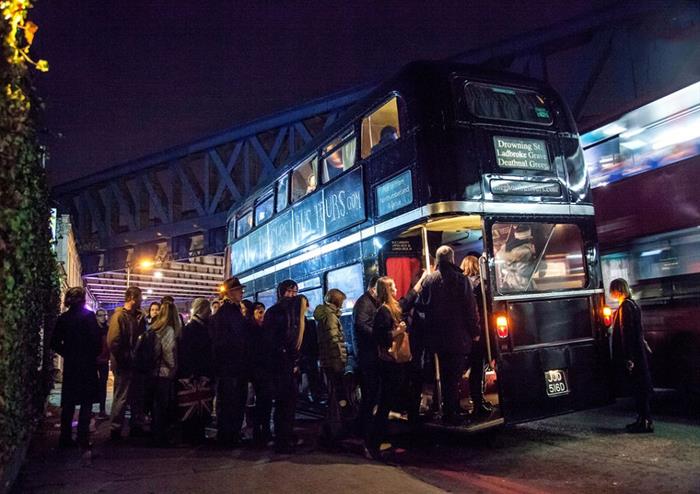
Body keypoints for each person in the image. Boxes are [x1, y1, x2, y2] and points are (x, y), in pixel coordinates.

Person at [417, 245, 479, 425]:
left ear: (437, 260)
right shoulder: (461, 279)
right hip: (458, 337)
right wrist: (475, 332)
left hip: (436, 339)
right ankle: (451, 413)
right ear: (452, 259)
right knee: (454, 376)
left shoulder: (429, 281)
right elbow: (470, 309)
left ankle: (448, 408)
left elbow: (421, 307)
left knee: (445, 375)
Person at [364, 276, 422, 460]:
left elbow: (406, 301)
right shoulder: (383, 311)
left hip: (397, 363)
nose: (397, 289)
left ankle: (389, 438)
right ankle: (372, 444)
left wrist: (421, 281)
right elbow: (378, 336)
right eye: (394, 287)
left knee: (397, 398)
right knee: (385, 403)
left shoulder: (393, 308)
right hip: (390, 363)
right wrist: (397, 331)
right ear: (387, 290)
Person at [51, 287, 102, 448]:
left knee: (69, 403)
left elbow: (54, 342)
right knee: (86, 403)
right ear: (83, 299)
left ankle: (65, 437)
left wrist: (68, 353)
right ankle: (82, 437)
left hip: (72, 365)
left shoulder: (63, 318)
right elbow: (96, 342)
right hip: (87, 365)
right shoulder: (89, 317)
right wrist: (91, 354)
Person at [263, 294, 308, 453]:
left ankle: (284, 437)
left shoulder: (278, 313)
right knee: (286, 404)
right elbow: (280, 342)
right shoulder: (284, 317)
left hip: (282, 365)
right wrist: (291, 360)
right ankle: (283, 441)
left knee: (285, 404)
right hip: (283, 367)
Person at [609, 278, 654, 433]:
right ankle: (644, 420)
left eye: (612, 290)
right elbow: (638, 331)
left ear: (617, 290)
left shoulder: (624, 308)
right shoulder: (634, 305)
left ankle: (644, 422)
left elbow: (625, 333)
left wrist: (629, 358)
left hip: (633, 354)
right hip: (639, 352)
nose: (611, 294)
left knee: (639, 389)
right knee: (642, 388)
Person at [209, 276, 249, 446]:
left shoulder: (229, 312)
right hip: (231, 367)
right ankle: (229, 436)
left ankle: (230, 434)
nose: (242, 293)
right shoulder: (227, 313)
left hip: (232, 367)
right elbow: (224, 342)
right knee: (231, 402)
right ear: (231, 293)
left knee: (232, 402)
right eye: (239, 290)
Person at [107, 286, 147, 440]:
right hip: (125, 364)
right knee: (122, 397)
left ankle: (135, 426)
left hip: (135, 363)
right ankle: (116, 429)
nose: (142, 300)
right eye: (140, 297)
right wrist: (125, 357)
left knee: (135, 396)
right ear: (132, 298)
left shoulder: (137, 317)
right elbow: (114, 341)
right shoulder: (120, 317)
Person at [178, 297, 215, 444]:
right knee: (197, 405)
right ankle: (194, 434)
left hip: (197, 373)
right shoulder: (196, 328)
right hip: (198, 374)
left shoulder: (191, 327)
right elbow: (193, 352)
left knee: (197, 405)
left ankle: (195, 433)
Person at [314, 288, 348, 445]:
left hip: (327, 361)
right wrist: (340, 361)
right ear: (337, 301)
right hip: (333, 362)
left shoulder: (325, 315)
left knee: (333, 396)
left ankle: (330, 429)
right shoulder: (331, 317)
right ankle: (334, 431)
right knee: (336, 396)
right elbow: (334, 341)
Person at [460, 255, 493, 417]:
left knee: (468, 366)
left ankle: (472, 399)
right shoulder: (481, 283)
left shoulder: (460, 283)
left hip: (463, 332)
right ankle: (478, 400)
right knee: (478, 366)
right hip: (480, 330)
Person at [147, 300, 178, 446]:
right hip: (164, 372)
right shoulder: (169, 330)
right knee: (163, 407)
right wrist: (173, 368)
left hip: (153, 371)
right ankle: (161, 438)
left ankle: (155, 434)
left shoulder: (155, 327)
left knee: (156, 406)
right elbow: (168, 352)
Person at [352, 275, 380, 435]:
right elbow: (361, 325)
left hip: (368, 353)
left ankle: (364, 425)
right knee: (369, 391)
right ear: (373, 288)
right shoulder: (364, 303)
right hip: (366, 354)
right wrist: (382, 334)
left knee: (372, 391)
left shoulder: (369, 302)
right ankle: (363, 427)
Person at [95, 308, 111, 420]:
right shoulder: (93, 329)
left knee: (103, 385)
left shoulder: (108, 329)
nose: (103, 317)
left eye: (104, 315)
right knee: (93, 384)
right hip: (94, 360)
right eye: (100, 315)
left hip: (104, 361)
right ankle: (91, 410)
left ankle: (102, 410)